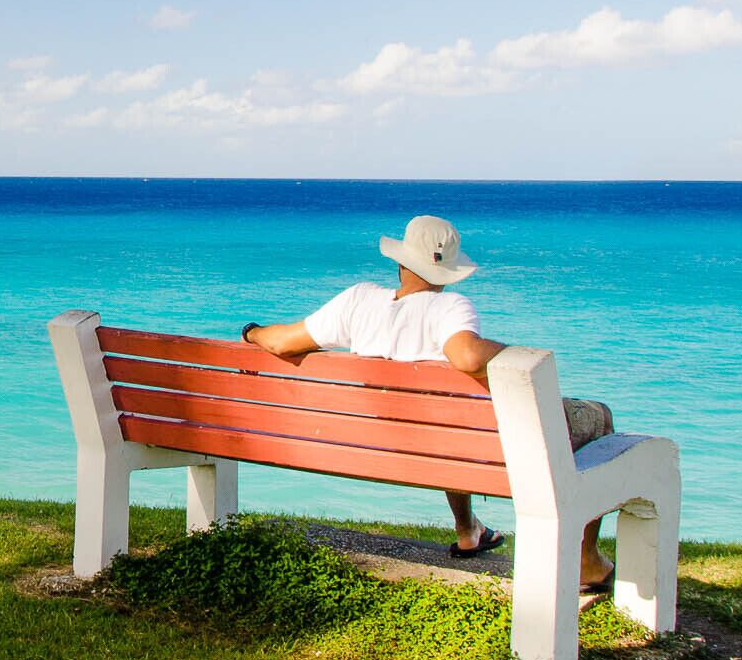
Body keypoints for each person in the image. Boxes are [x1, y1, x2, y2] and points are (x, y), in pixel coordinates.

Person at [238, 214, 618, 591]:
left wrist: (252, 333)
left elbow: (281, 342)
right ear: (447, 272)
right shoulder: (450, 307)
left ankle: (468, 531)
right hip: (450, 444)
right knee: (599, 417)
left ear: (401, 262)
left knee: (451, 428)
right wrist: (519, 353)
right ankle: (585, 561)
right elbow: (467, 357)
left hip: (381, 444)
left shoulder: (357, 301)